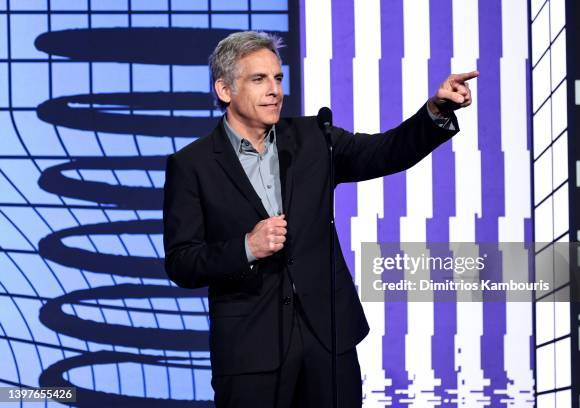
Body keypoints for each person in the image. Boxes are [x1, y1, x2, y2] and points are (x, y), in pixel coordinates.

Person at [163, 31, 477, 408]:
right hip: (250, 351)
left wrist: (437, 111)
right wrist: (247, 247)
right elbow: (182, 262)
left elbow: (385, 152)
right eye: (259, 79)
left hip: (328, 339)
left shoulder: (313, 138)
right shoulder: (192, 166)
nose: (275, 91)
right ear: (225, 90)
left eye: (278, 78)